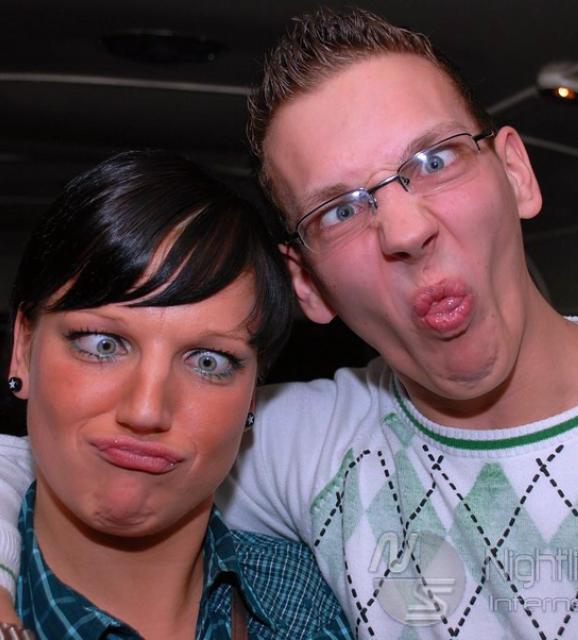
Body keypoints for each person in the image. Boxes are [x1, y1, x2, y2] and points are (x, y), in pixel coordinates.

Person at [0, 6, 578, 639]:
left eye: (434, 160)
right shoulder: (314, 445)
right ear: (307, 283)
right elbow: (51, 459)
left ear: (517, 174)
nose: (406, 230)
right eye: (340, 210)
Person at [0, 150, 352, 639]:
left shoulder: (316, 604)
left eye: (208, 361)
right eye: (103, 345)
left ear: (253, 395)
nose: (146, 410)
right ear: (23, 348)